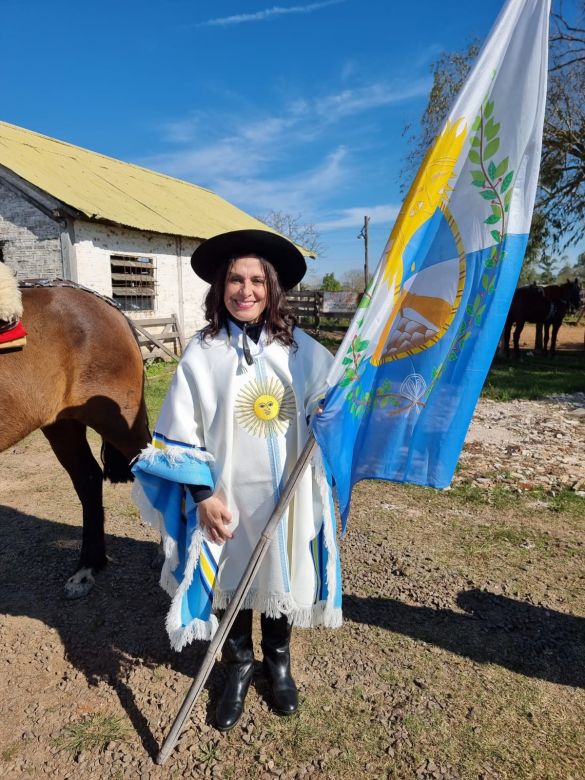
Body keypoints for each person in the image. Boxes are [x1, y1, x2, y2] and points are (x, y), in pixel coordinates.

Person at [132, 229, 342, 732]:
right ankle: (240, 664)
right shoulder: (202, 354)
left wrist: (334, 407)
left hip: (286, 497)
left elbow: (334, 406)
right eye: (234, 279)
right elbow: (179, 434)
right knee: (231, 579)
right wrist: (203, 497)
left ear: (271, 288)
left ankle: (278, 661)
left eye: (255, 281)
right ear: (219, 287)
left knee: (279, 575)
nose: (244, 291)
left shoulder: (302, 351)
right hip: (226, 502)